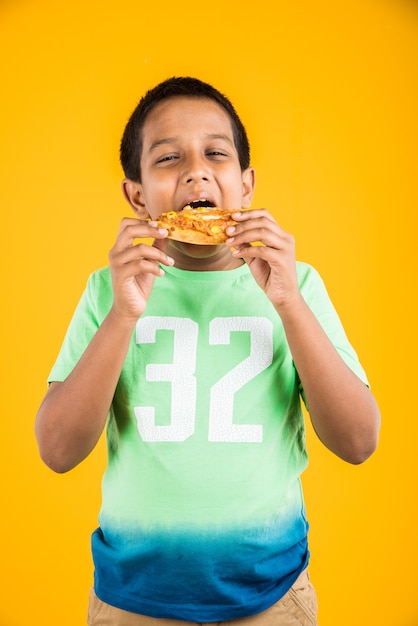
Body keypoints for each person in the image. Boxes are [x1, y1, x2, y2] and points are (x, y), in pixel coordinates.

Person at [35, 76, 380, 626]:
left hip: (272, 598)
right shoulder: (108, 292)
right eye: (169, 158)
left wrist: (288, 303)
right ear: (138, 195)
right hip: (131, 600)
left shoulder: (298, 285)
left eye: (215, 153)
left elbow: (359, 441)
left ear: (245, 186)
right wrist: (125, 314)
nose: (196, 170)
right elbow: (57, 450)